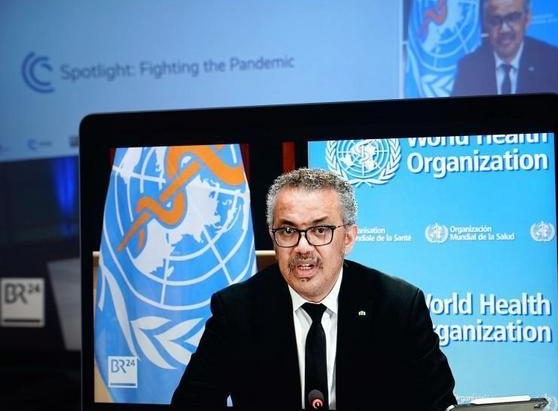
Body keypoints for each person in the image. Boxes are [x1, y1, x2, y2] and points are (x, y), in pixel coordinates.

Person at [172, 168, 456, 411]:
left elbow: (438, 404)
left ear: (348, 238)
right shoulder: (237, 310)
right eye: (288, 231)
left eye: (320, 230)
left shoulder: (398, 307)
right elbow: (192, 404)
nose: (303, 247)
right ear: (272, 236)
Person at [451, 0, 558, 114]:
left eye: (513, 18)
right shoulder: (469, 66)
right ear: (486, 24)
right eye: (495, 20)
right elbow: (458, 117)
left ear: (527, 19)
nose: (504, 29)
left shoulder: (554, 62)